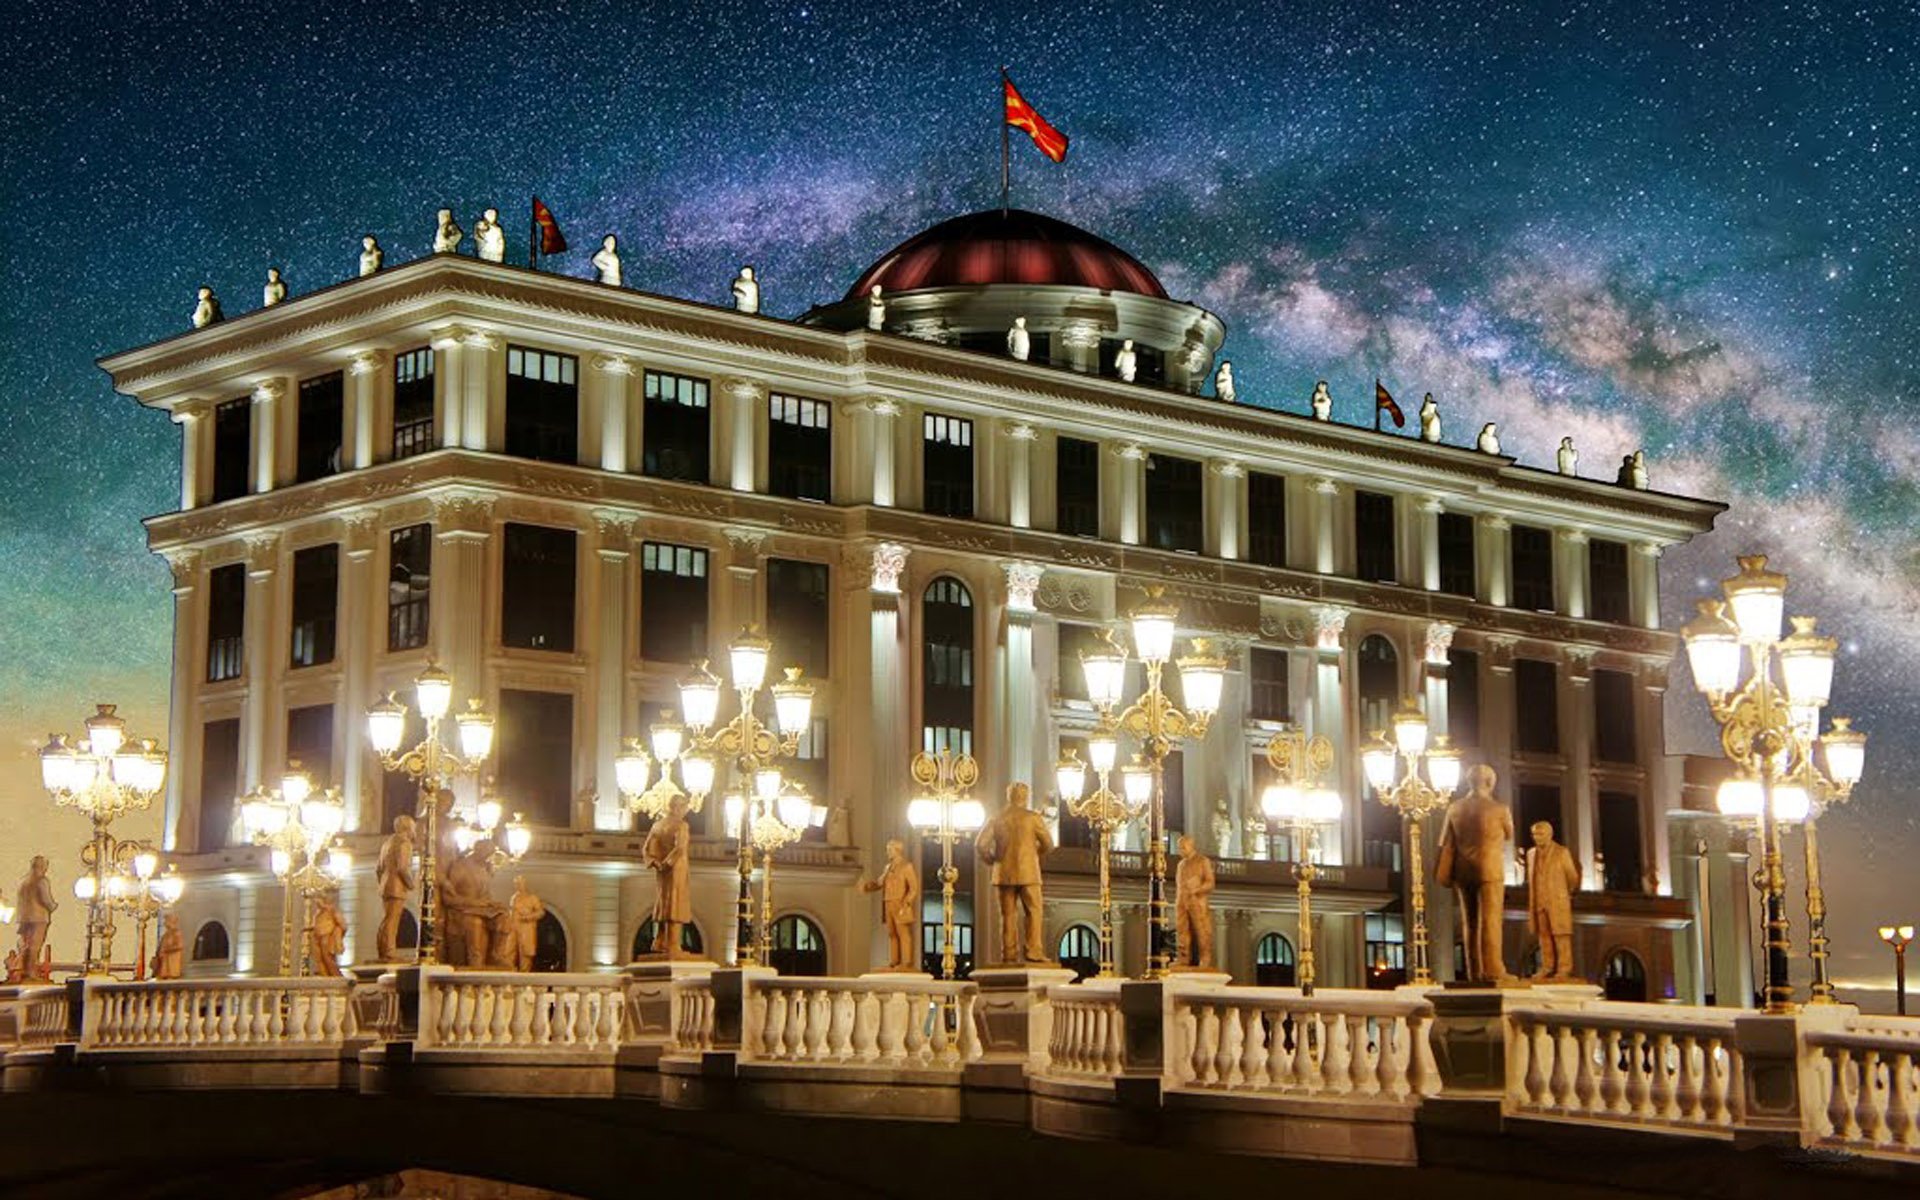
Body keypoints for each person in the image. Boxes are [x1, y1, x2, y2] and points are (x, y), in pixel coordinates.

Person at [1435, 764, 1514, 984]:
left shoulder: (1454, 808)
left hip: (1463, 871)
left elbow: (1445, 841)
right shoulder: (1499, 809)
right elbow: (1509, 834)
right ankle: (1494, 970)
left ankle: (1475, 971)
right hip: (1490, 871)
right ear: (1490, 782)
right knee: (1490, 920)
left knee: (1469, 923)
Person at [974, 782, 1054, 964]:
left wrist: (992, 859)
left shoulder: (997, 818)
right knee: (1034, 911)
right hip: (1029, 873)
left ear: (1008, 796)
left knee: (1008, 915)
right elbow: (1048, 844)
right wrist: (1034, 854)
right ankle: (1033, 951)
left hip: (1003, 873)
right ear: (1025, 797)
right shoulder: (1032, 818)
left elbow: (980, 844)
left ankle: (1008, 954)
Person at [1526, 821, 1581, 980]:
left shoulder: (1562, 852)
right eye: (1535, 834)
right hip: (1539, 902)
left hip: (1558, 901)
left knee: (1561, 935)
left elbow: (1573, 877)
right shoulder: (1531, 854)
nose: (1537, 838)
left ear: (1550, 835)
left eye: (1540, 834)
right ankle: (1547, 967)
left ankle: (1564, 968)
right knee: (1544, 937)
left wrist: (1564, 894)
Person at [642, 794, 692, 957]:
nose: (685, 811)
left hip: (661, 870)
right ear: (677, 807)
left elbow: (646, 849)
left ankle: (659, 941)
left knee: (664, 902)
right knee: (676, 904)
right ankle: (673, 944)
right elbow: (680, 848)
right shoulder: (681, 825)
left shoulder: (657, 825)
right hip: (676, 868)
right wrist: (668, 864)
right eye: (684, 807)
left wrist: (656, 863)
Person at [861, 839, 921, 971]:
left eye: (889, 849)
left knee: (903, 932)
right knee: (891, 932)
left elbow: (914, 888)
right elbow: (879, 883)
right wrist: (867, 887)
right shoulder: (888, 868)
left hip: (900, 902)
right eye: (887, 849)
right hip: (888, 902)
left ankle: (906, 962)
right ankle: (894, 961)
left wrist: (907, 902)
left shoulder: (907, 866)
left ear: (897, 850)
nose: (887, 852)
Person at [375, 813, 418, 961]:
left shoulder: (388, 843)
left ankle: (382, 950)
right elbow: (402, 868)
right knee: (393, 919)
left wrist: (382, 883)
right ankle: (389, 951)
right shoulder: (404, 843)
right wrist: (411, 884)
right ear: (409, 827)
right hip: (396, 886)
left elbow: (378, 868)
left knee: (387, 919)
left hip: (386, 885)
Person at [1174, 835, 1216, 969]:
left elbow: (1210, 883)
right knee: (1182, 931)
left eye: (1183, 847)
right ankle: (1183, 958)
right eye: (1179, 848)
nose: (1180, 850)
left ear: (1190, 846)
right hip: (1182, 901)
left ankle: (1205, 959)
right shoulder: (1181, 865)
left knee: (1202, 931)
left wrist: (1197, 889)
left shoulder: (1203, 861)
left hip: (1197, 902)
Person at [12, 857, 55, 979]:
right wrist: (53, 906)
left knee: (25, 944)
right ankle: (31, 971)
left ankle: (22, 969)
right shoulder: (41, 881)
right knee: (35, 945)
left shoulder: (23, 881)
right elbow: (46, 900)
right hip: (38, 917)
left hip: (24, 917)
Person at [307, 891, 347, 977]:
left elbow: (342, 924)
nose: (316, 902)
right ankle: (325, 976)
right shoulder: (318, 913)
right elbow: (315, 925)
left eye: (318, 899)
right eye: (315, 899)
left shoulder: (331, 910)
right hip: (318, 937)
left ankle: (336, 976)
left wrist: (337, 935)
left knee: (328, 958)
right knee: (319, 959)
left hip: (327, 937)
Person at [509, 876, 546, 971]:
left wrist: (527, 917)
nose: (518, 886)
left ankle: (524, 979)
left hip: (526, 928)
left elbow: (541, 912)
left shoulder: (532, 898)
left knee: (526, 953)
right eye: (516, 884)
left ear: (525, 884)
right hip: (513, 927)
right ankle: (509, 977)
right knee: (509, 951)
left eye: (520, 883)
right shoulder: (514, 897)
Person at [152, 913, 185, 980]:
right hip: (163, 963)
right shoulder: (166, 934)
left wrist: (166, 950)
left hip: (171, 965)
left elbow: (179, 945)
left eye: (166, 921)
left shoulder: (176, 933)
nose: (164, 923)